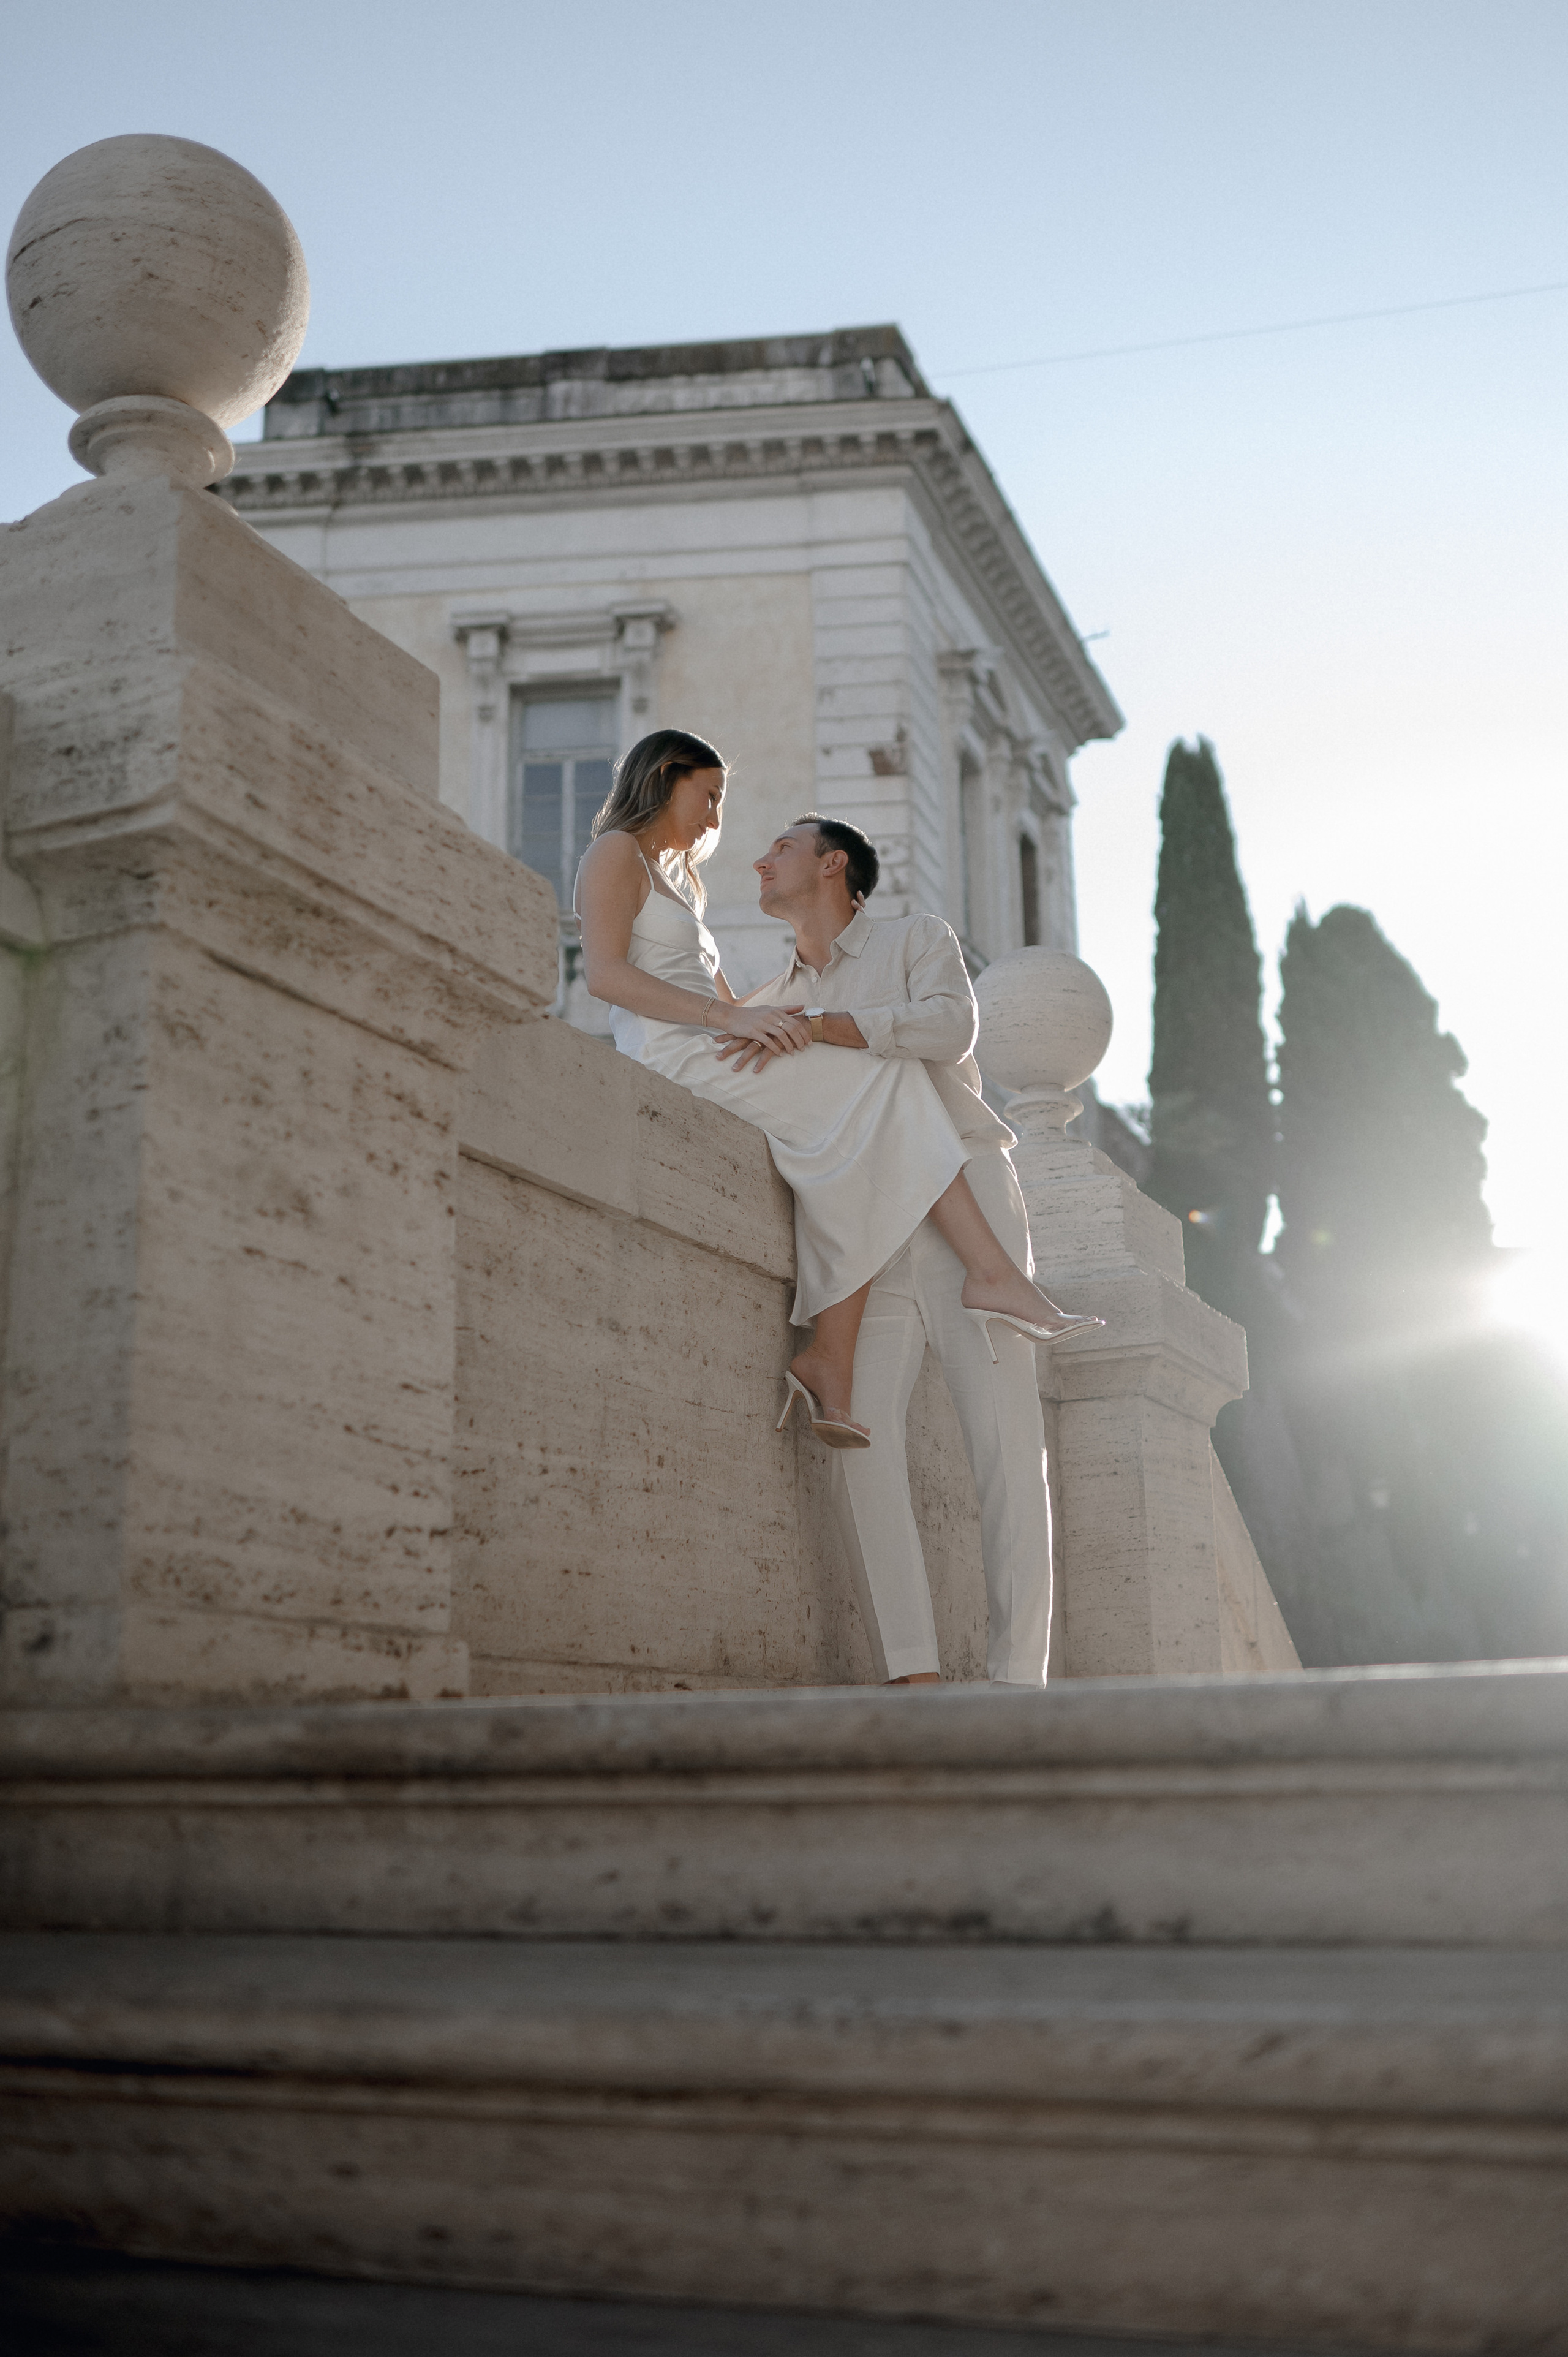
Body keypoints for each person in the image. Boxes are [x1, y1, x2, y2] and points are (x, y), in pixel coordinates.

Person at [574, 732, 1098, 1466]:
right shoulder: (614, 853)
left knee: (860, 1126)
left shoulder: (677, 883)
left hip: (711, 1045)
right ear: (666, 774)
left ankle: (836, 1357)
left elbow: (723, 999)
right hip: (673, 1057)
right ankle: (984, 1279)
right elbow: (604, 976)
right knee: (887, 1078)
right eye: (710, 795)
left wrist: (776, 1020)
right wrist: (732, 1019)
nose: (716, 819)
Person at [742, 814, 1098, 1687]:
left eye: (782, 847)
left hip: (962, 1191)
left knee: (1006, 1445)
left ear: (833, 864)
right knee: (860, 1435)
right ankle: (913, 1676)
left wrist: (828, 1026)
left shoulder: (915, 938)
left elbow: (948, 1031)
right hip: (864, 1228)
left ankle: (1018, 1684)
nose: (761, 860)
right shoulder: (769, 994)